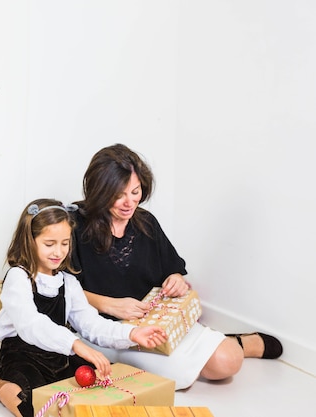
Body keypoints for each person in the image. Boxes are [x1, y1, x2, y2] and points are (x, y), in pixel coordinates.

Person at [70, 143, 283, 390]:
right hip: (105, 330)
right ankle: (227, 343)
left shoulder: (145, 222)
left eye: (136, 192)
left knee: (228, 361)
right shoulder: (74, 226)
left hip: (155, 321)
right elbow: (59, 290)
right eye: (119, 195)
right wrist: (109, 304)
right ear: (99, 191)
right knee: (202, 371)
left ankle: (237, 344)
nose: (130, 203)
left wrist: (175, 278)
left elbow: (172, 269)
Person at [0, 198, 168, 417]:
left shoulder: (68, 282)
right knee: (31, 407)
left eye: (65, 243)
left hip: (58, 353)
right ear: (30, 240)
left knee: (103, 385)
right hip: (21, 355)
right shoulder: (18, 277)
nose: (58, 252)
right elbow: (30, 324)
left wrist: (132, 333)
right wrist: (75, 343)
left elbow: (91, 323)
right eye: (49, 244)